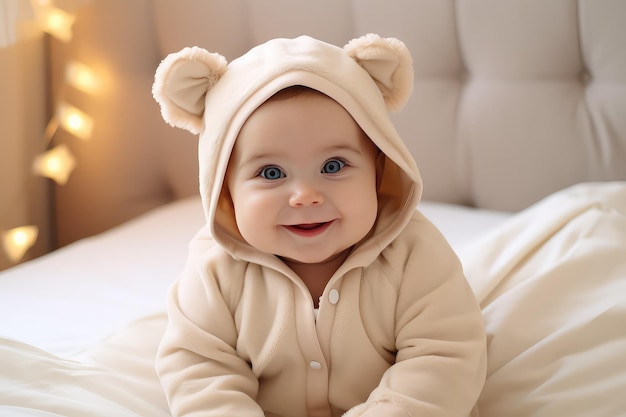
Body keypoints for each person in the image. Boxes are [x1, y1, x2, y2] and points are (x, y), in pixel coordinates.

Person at [152, 34, 486, 417]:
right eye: (271, 172)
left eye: (333, 166)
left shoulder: (416, 255)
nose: (305, 196)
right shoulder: (215, 269)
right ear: (225, 188)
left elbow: (444, 358)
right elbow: (199, 369)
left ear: (378, 171)